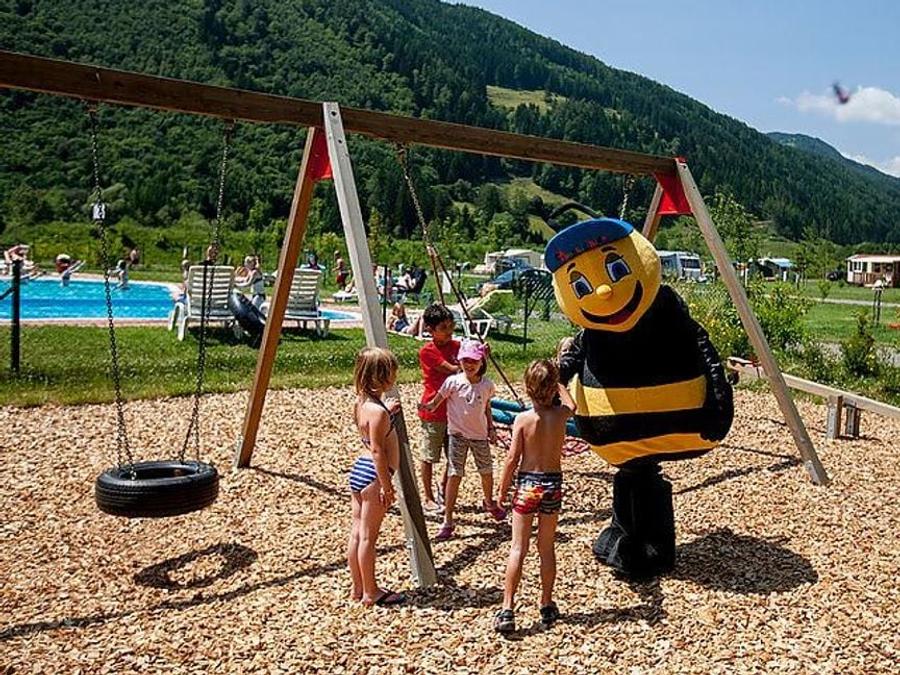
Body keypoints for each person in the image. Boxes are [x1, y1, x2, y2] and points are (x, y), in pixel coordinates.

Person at [494, 359, 576, 633]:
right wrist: (559, 384)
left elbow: (511, 460)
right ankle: (546, 603)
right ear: (552, 388)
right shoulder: (561, 416)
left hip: (528, 485)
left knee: (518, 547)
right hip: (552, 484)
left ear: (527, 388)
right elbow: (573, 405)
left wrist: (502, 490)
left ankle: (507, 608)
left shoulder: (523, 420)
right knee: (546, 547)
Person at [419, 338, 504, 540]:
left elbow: (486, 407)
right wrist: (428, 407)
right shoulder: (454, 382)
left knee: (486, 472)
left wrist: (491, 428)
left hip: (479, 436)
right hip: (457, 435)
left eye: (473, 361)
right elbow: (438, 400)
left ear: (482, 361)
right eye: (465, 360)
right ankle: (448, 519)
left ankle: (489, 501)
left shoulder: (487, 385)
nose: (469, 365)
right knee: (455, 474)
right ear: (459, 361)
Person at [347, 347, 406, 607]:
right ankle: (371, 592)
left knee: (357, 533)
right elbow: (378, 450)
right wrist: (387, 485)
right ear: (384, 377)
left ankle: (357, 588)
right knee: (369, 538)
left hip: (358, 471)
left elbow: (371, 431)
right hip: (373, 475)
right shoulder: (379, 413)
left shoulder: (361, 404)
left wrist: (387, 412)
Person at [415, 304, 460, 514]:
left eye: (451, 326)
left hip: (454, 410)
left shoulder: (457, 346)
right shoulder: (428, 351)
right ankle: (428, 496)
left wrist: (480, 354)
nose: (449, 331)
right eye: (443, 328)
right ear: (430, 330)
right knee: (429, 455)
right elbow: (451, 370)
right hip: (433, 411)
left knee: (454, 454)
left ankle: (443, 487)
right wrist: (472, 359)